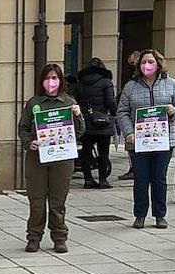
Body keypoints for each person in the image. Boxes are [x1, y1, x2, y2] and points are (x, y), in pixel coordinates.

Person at [19, 64, 85, 253]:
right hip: (36, 159)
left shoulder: (68, 102)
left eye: (54, 78)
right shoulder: (33, 103)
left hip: (62, 159)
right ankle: (34, 237)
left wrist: (78, 115)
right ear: (42, 81)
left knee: (58, 201)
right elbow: (23, 128)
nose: (51, 82)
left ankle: (59, 237)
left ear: (61, 81)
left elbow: (80, 131)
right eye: (47, 78)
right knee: (37, 201)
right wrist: (28, 142)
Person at [117, 49, 175, 229]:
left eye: (151, 62)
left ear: (158, 64)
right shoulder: (130, 86)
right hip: (138, 141)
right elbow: (122, 111)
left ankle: (160, 215)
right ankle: (140, 214)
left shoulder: (171, 84)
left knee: (159, 178)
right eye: (143, 62)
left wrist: (174, 111)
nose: (147, 65)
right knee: (141, 178)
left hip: (164, 140)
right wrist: (128, 132)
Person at [73, 58, 116, 189]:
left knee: (86, 152)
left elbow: (76, 101)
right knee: (103, 153)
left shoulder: (80, 83)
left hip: (85, 122)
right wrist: (114, 113)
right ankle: (103, 180)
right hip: (102, 122)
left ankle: (88, 180)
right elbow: (110, 102)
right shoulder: (106, 82)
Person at [116, 49, 142, 181]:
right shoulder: (131, 82)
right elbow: (123, 110)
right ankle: (133, 169)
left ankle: (134, 169)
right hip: (133, 118)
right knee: (132, 147)